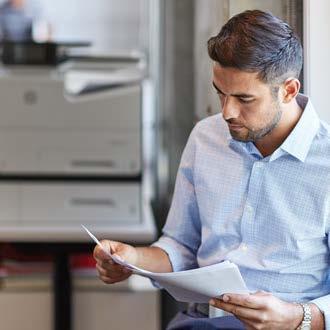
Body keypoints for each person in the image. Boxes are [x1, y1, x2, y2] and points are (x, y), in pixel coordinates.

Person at [93, 10, 330, 330]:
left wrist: (296, 318)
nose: (227, 112)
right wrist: (133, 259)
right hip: (200, 322)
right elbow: (180, 247)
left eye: (245, 99)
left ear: (288, 90)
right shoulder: (206, 137)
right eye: (221, 93)